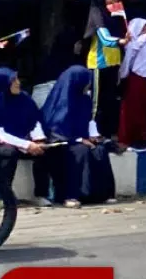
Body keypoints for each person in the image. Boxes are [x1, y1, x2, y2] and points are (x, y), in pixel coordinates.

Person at [40, 66, 117, 208]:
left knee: (100, 150)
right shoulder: (61, 101)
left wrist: (94, 136)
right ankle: (71, 195)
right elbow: (56, 128)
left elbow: (88, 120)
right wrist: (79, 139)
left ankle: (101, 194)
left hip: (81, 139)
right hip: (61, 143)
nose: (88, 84)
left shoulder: (85, 99)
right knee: (80, 151)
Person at [0, 67, 51, 206]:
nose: (18, 83)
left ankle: (40, 194)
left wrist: (38, 139)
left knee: (44, 153)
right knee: (8, 153)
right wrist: (26, 145)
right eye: (13, 80)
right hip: (0, 143)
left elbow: (35, 119)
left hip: (24, 141)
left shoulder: (24, 98)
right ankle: (1, 196)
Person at [84, 0, 128, 139]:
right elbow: (104, 38)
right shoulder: (96, 12)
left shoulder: (115, 14)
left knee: (110, 100)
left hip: (114, 62)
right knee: (96, 103)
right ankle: (92, 134)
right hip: (99, 63)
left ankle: (108, 134)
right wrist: (121, 41)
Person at [118, 18, 146, 148]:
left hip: (144, 80)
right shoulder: (133, 44)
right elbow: (133, 49)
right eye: (143, 29)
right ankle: (127, 137)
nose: (145, 32)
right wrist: (144, 37)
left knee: (142, 109)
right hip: (135, 78)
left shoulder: (145, 45)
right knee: (131, 109)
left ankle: (140, 136)